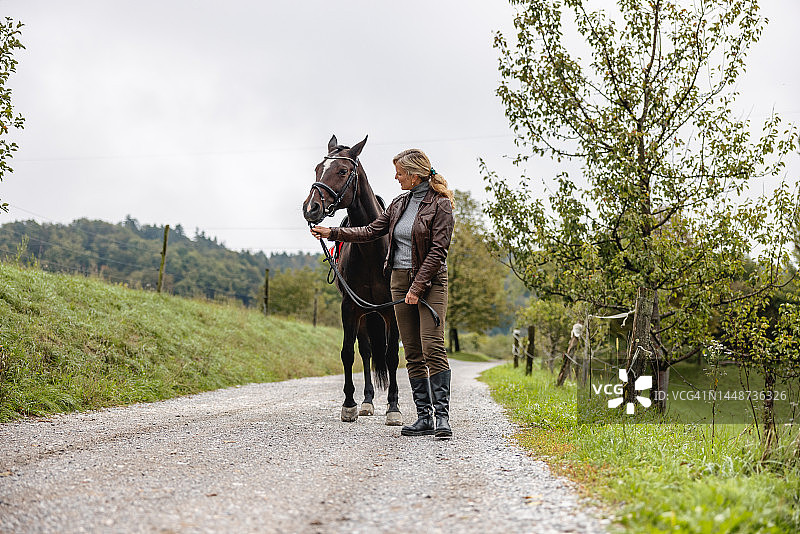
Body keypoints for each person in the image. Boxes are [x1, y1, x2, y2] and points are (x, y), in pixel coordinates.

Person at [310, 148, 455, 439]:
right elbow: (370, 231)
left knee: (432, 347)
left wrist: (416, 288)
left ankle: (442, 418)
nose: (396, 177)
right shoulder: (399, 204)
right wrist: (332, 233)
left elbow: (438, 251)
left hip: (430, 283)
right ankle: (424, 417)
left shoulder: (441, 205)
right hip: (398, 281)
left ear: (414, 174)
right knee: (412, 351)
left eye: (400, 173)